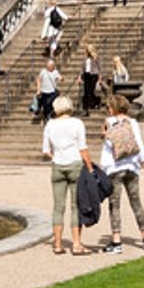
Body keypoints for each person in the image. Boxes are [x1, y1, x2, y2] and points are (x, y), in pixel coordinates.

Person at [97, 93, 144, 253]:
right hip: (132, 167)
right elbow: (140, 146)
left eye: (108, 107)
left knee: (114, 204)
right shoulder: (133, 122)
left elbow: (108, 147)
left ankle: (116, 241)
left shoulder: (109, 122)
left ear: (113, 108)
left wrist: (101, 168)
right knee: (136, 203)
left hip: (115, 168)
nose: (107, 109)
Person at [41, 95, 94, 255]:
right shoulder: (77, 123)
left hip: (58, 165)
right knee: (75, 206)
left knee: (58, 207)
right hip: (75, 164)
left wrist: (57, 156)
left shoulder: (50, 125)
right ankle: (76, 244)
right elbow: (82, 148)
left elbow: (46, 151)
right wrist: (90, 167)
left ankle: (57, 243)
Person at [35, 58, 61, 124]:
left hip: (52, 91)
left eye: (53, 65)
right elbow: (39, 80)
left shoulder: (55, 71)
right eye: (50, 66)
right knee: (45, 104)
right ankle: (46, 116)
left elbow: (60, 77)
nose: (52, 67)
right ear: (47, 66)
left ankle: (49, 116)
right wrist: (38, 90)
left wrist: (61, 78)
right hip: (44, 91)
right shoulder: (43, 71)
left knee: (49, 103)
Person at [79, 43, 100, 115]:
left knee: (91, 90)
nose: (88, 50)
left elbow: (99, 67)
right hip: (86, 75)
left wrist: (100, 77)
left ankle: (96, 102)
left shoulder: (95, 57)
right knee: (86, 91)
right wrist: (80, 76)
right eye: (88, 49)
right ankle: (86, 107)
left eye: (90, 49)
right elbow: (82, 68)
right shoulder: (85, 58)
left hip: (93, 74)